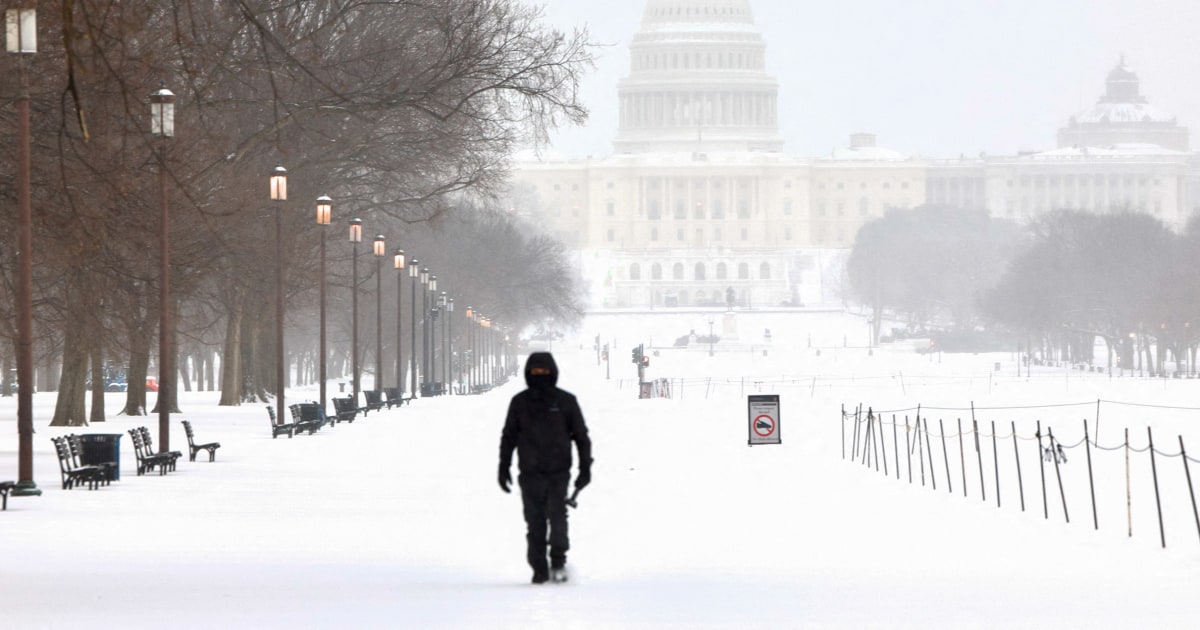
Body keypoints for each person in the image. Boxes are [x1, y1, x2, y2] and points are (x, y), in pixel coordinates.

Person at [498, 352, 592, 584]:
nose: (539, 375)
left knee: (558, 517)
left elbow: (581, 437)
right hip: (530, 473)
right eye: (535, 372)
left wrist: (585, 468)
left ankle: (558, 562)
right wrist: (503, 466)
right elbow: (509, 436)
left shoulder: (566, 402)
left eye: (544, 371)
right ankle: (539, 568)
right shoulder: (520, 403)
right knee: (535, 522)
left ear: (553, 373)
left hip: (558, 473)